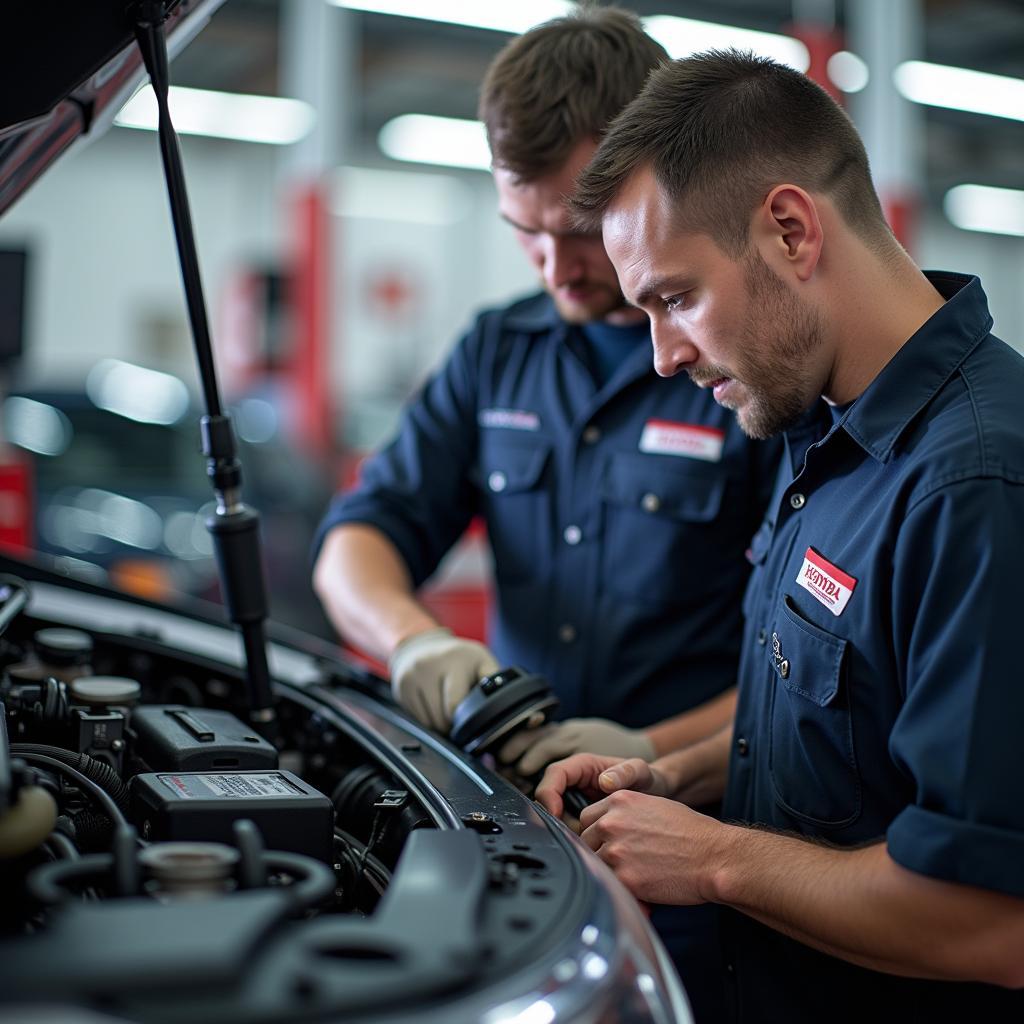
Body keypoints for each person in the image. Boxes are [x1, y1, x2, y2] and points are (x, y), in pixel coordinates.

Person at [536, 48, 1024, 1021]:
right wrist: (668, 774)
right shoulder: (818, 431)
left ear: (791, 231)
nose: (664, 354)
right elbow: (838, 716)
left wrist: (711, 859)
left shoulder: (974, 486)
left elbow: (990, 920)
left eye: (675, 298)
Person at [312, 10, 779, 1015]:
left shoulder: (745, 370)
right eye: (521, 232)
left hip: (694, 859)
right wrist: (417, 647)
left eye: (575, 231)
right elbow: (357, 542)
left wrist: (656, 753)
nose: (551, 269)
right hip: (513, 848)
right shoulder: (497, 353)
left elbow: (815, 668)